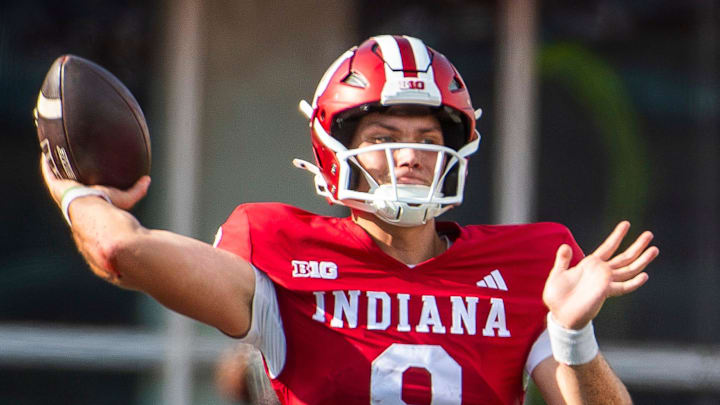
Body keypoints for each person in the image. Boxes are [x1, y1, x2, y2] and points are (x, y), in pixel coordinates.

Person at [40, 35, 658, 404]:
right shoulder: (279, 248)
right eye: (386, 134)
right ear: (333, 148)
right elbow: (123, 253)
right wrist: (74, 189)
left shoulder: (533, 268)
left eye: (425, 136)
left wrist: (575, 336)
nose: (410, 154)